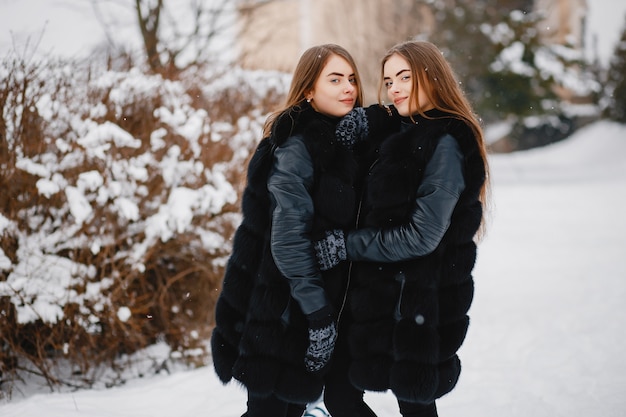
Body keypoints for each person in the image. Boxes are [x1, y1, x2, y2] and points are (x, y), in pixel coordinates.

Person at [314, 40, 491, 417]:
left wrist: (345, 245)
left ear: (431, 76)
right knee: (342, 398)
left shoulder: (446, 140)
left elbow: (421, 236)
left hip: (415, 304)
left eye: (405, 77)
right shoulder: (405, 132)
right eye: (388, 80)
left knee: (414, 406)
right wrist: (369, 119)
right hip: (379, 298)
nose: (395, 88)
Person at [211, 44, 365, 417]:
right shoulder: (298, 145)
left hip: (307, 304)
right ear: (308, 90)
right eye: (335, 79)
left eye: (352, 79)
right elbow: (289, 241)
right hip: (282, 308)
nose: (348, 88)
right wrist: (319, 317)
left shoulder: (343, 141)